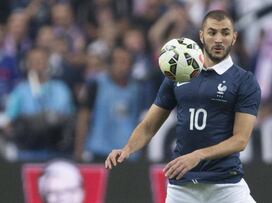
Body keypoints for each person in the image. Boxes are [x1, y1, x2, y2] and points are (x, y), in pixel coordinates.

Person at [105, 10, 261, 203]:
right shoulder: (179, 72)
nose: (219, 39)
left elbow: (240, 140)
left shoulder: (244, 81)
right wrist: (127, 148)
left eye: (225, 33)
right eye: (212, 32)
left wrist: (198, 155)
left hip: (227, 186)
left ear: (234, 37)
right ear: (201, 35)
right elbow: (149, 126)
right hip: (183, 188)